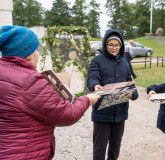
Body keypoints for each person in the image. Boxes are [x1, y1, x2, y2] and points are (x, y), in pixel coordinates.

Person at [0, 26, 100, 159]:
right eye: (36, 49)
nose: (39, 54)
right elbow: (67, 114)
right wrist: (87, 100)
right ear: (27, 53)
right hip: (25, 153)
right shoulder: (30, 81)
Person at [87, 29, 138, 160]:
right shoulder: (97, 60)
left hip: (120, 112)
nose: (114, 48)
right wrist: (94, 85)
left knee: (115, 148)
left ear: (121, 46)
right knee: (99, 148)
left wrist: (134, 93)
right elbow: (92, 78)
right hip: (102, 111)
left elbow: (129, 81)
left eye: (117, 45)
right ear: (105, 45)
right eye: (111, 45)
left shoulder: (125, 62)